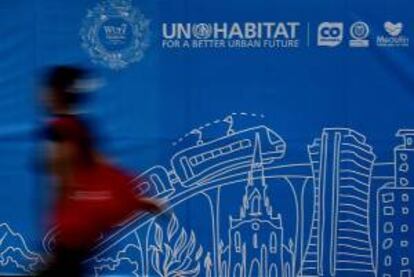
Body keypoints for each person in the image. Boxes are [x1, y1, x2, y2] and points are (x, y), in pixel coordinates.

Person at [37, 66, 162, 276]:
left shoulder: (60, 129)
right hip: (83, 225)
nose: (42, 95)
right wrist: (134, 198)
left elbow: (63, 177)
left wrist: (60, 213)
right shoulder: (81, 126)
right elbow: (103, 164)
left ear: (56, 94)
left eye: (46, 90)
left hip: (72, 224)